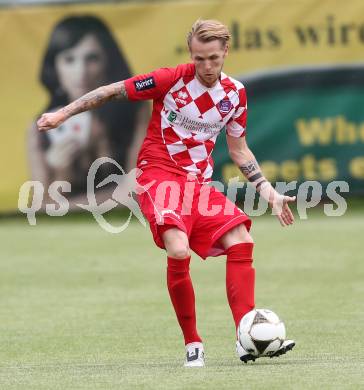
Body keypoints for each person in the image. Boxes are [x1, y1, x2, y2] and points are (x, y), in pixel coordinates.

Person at [37, 19, 296, 367]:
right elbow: (111, 91)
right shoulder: (170, 79)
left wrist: (268, 192)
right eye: (200, 58)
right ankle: (193, 344)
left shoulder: (235, 93)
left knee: (241, 239)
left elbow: (239, 150)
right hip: (158, 176)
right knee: (178, 247)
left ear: (225, 53)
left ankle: (246, 335)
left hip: (197, 185)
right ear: (191, 53)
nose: (206, 66)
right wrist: (63, 114)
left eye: (214, 58)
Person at [28, 15, 149, 207]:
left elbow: (135, 192)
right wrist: (61, 171)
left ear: (108, 63)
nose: (81, 72)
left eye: (91, 58)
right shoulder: (41, 127)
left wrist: (103, 145)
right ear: (55, 67)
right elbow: (41, 207)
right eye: (69, 59)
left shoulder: (136, 111)